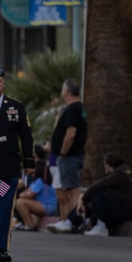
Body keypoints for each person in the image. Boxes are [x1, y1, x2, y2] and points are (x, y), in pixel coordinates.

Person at [0, 67, 35, 262]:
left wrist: (30, 162)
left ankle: (1, 248)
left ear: (4, 84)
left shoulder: (16, 106)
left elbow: (26, 136)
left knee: (4, 210)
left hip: (7, 167)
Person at [46, 79, 87, 233]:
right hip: (72, 155)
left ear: (67, 91)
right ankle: (70, 220)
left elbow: (70, 134)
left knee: (72, 189)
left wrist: (63, 152)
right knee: (69, 188)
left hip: (69, 156)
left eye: (63, 89)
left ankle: (73, 221)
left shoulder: (73, 109)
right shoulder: (78, 108)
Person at [71, 153, 132, 237]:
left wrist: (82, 199)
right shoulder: (125, 172)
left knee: (97, 193)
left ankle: (100, 226)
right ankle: (71, 222)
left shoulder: (119, 174)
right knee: (95, 196)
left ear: (108, 164)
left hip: (126, 211)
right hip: (127, 210)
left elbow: (96, 186)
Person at [14, 148, 57, 231]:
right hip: (42, 202)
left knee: (20, 200)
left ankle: (27, 224)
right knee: (19, 196)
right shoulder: (40, 171)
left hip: (46, 205)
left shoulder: (38, 175)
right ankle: (22, 221)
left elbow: (24, 187)